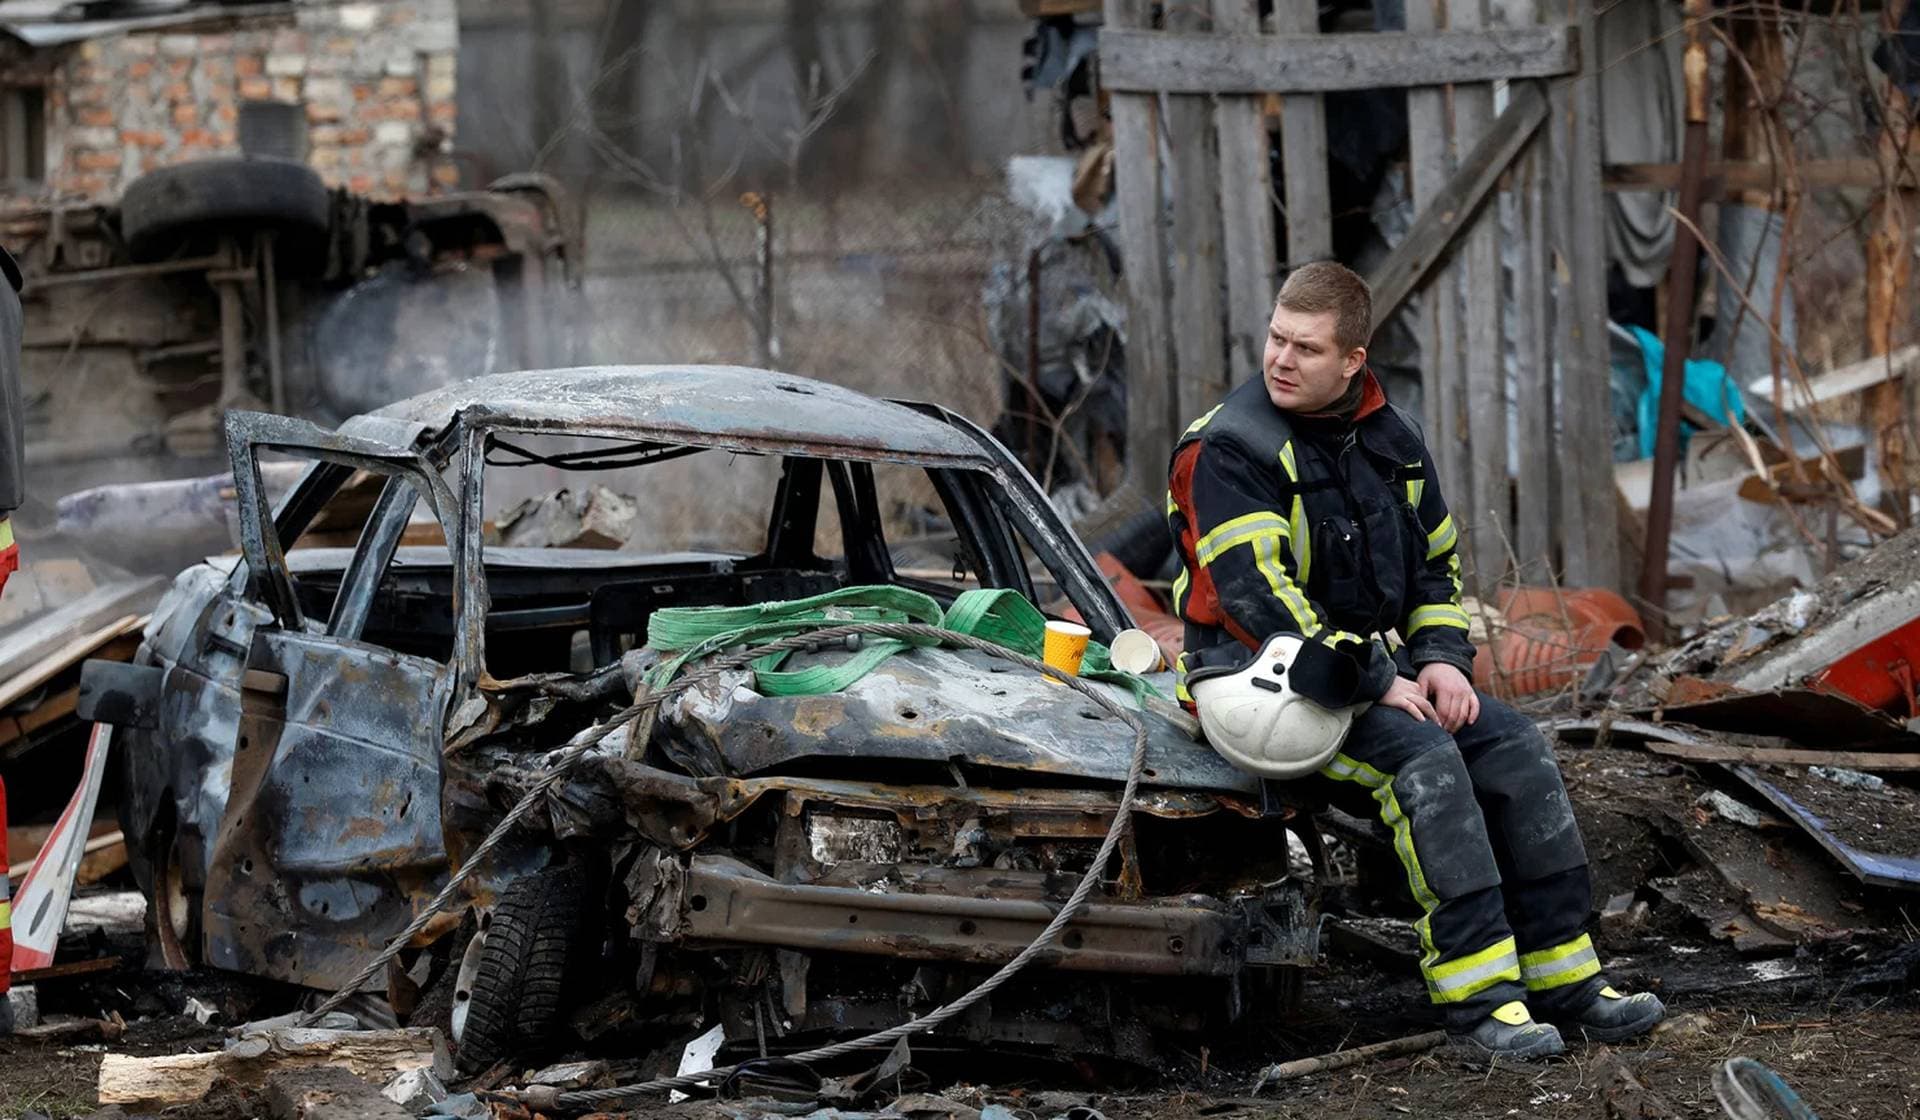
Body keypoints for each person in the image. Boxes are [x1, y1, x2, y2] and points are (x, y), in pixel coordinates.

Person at [1165, 261, 1664, 1060]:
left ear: (1353, 361)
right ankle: (1481, 1007)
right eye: (1275, 339)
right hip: (1257, 681)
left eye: (1306, 348)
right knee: (1423, 762)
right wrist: (1377, 679)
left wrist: (1442, 660)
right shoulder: (1229, 449)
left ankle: (1568, 979)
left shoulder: (1392, 441)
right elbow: (1258, 597)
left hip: (1369, 674)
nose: (1280, 360)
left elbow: (1437, 570)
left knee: (1514, 748)